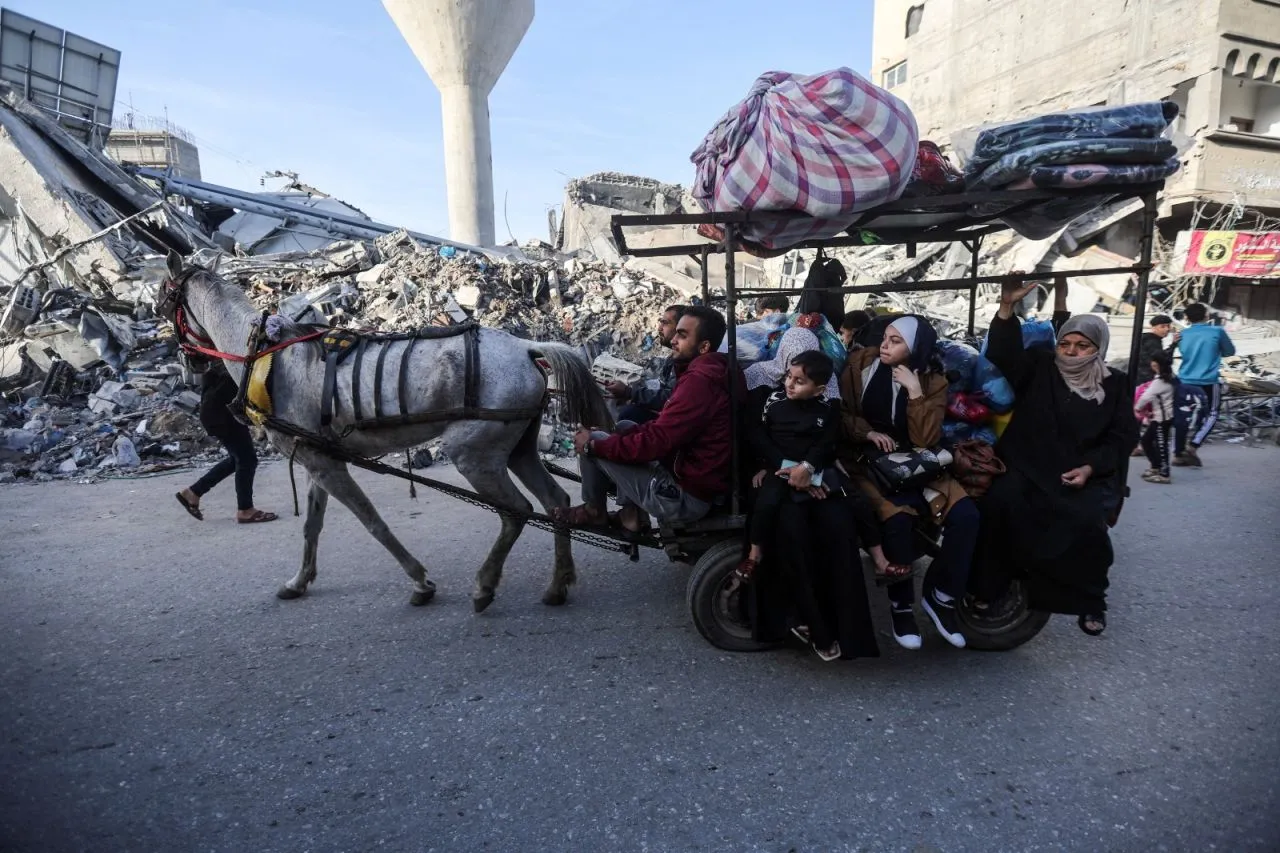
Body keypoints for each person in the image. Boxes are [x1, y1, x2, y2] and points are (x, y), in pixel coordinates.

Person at [971, 279, 1139, 637]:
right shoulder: (1040, 365)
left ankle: (1089, 601)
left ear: (1098, 348)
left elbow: (1122, 436)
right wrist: (1006, 309)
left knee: (1088, 523)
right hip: (1025, 464)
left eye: (1082, 345)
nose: (1071, 351)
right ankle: (988, 590)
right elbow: (1003, 357)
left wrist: (1090, 467)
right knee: (998, 507)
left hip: (1078, 470)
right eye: (1065, 343)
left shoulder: (1115, 383)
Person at [838, 314, 980, 651]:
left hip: (918, 463)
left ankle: (941, 596)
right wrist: (867, 433)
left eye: (895, 341)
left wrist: (915, 392)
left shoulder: (933, 381)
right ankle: (901, 606)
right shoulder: (861, 364)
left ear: (915, 348)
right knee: (898, 518)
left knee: (967, 517)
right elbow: (841, 412)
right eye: (885, 338)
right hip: (867, 462)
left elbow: (925, 440)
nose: (884, 346)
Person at [739, 329, 881, 662]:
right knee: (793, 539)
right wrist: (789, 470)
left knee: (839, 530)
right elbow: (757, 437)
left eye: (799, 378)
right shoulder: (766, 391)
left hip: (816, 478)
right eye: (789, 369)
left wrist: (809, 470)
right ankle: (806, 624)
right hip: (779, 477)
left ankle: (844, 629)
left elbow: (827, 442)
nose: (790, 381)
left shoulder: (826, 401)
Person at [556, 306, 740, 531]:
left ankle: (595, 511)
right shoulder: (708, 371)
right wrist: (616, 439)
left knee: (592, 439)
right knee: (624, 427)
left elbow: (658, 440)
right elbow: (664, 427)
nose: (674, 340)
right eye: (676, 333)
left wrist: (594, 446)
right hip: (689, 476)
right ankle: (631, 514)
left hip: (685, 496)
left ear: (704, 347)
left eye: (682, 335)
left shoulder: (700, 382)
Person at [175, 361, 278, 524]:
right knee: (247, 460)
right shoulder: (233, 361)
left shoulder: (226, 360)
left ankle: (193, 492)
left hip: (219, 412)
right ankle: (245, 510)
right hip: (223, 415)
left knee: (237, 459)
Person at [1174, 302, 1235, 466]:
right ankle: (1194, 445)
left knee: (1183, 416)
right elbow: (1230, 351)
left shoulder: (1182, 334)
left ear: (1187, 318)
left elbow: (1181, 351)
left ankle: (1178, 454)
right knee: (1212, 414)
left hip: (1185, 380)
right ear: (1207, 316)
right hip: (1208, 381)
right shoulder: (1217, 331)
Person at [604, 304, 686, 425]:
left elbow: (670, 398)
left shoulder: (685, 362)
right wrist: (632, 389)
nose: (659, 328)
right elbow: (661, 385)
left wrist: (630, 392)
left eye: (665, 323)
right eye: (660, 322)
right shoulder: (672, 358)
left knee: (629, 414)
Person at [1135, 351, 1176, 484]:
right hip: (1159, 417)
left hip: (1162, 419)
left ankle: (1164, 474)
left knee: (1161, 445)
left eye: (1153, 361)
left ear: (1156, 365)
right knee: (1146, 441)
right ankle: (1156, 466)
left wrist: (1137, 408)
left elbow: (1145, 397)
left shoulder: (1160, 381)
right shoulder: (1169, 377)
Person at [1135, 314, 1175, 385]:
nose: (1167, 329)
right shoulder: (1153, 341)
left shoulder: (1144, 339)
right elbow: (1164, 360)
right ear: (1153, 328)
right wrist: (1173, 346)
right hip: (1149, 380)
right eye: (1162, 326)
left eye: (1168, 326)